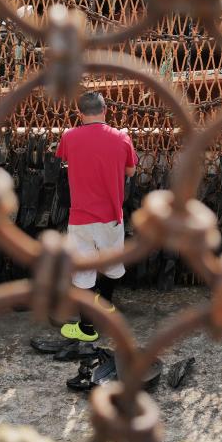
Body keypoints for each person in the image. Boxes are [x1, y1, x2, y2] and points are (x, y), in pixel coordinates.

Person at [55, 91, 137, 342]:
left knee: (83, 271)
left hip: (80, 218)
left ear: (79, 114)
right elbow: (131, 171)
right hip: (112, 216)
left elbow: (63, 158)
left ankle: (87, 329)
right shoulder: (122, 137)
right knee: (112, 264)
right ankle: (107, 306)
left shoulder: (69, 136)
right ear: (106, 110)